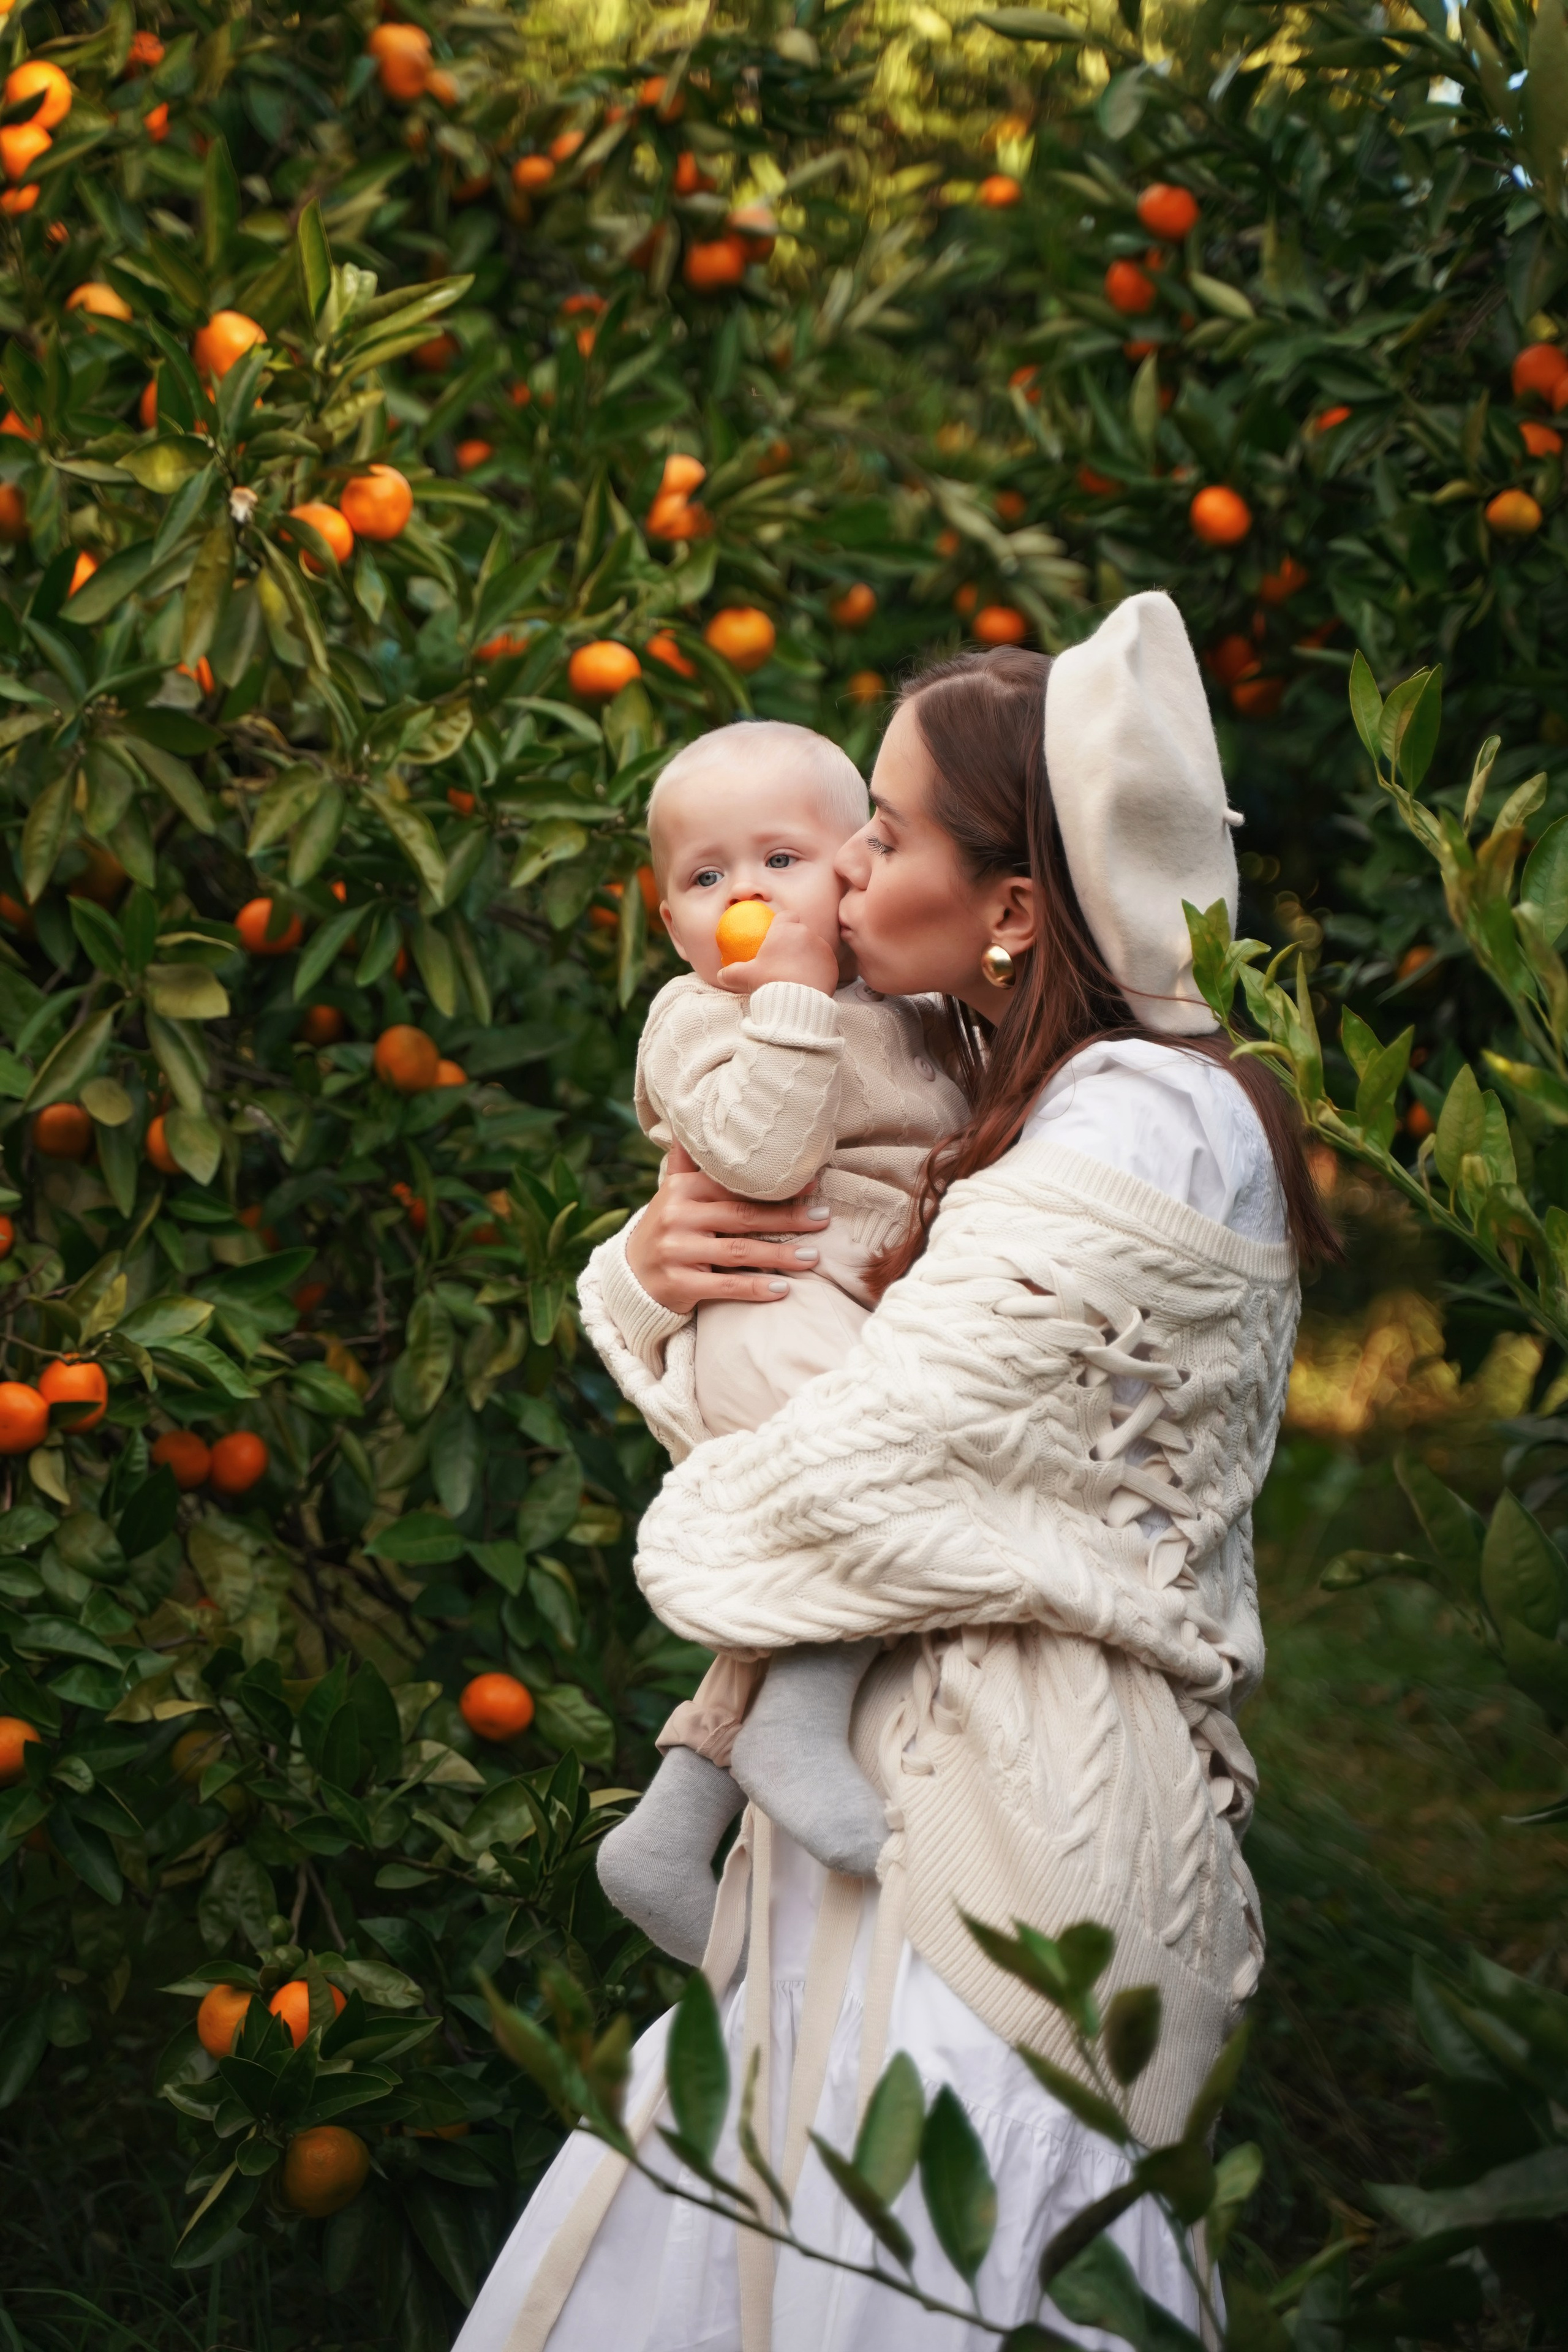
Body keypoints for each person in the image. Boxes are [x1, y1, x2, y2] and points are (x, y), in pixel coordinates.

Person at [456, 594, 1336, 2352]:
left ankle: (693, 1788)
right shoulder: (1005, 1089)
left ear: (1009, 908)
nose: (841, 868)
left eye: (886, 827)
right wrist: (647, 1272)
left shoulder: (1145, 1117)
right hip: (884, 1781)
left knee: (941, 2249)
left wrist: (655, 1342)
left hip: (1015, 1816)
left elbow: (883, 1442)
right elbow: (826, 1363)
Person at [594, 719, 966, 1962]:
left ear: (856, 869)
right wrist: (788, 998)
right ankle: (797, 1730)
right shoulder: (699, 1019)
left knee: (815, 1550)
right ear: (671, 925)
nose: (745, 894)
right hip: (771, 1312)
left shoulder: (914, 1007)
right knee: (889, 1477)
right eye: (707, 877)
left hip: (847, 1310)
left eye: (780, 861)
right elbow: (763, 1156)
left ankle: (668, 1825)